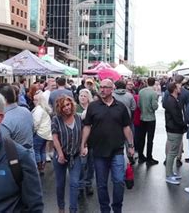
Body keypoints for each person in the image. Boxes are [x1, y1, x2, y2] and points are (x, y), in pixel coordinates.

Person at [81, 79, 134, 213]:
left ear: (112, 89)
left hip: (117, 150)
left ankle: (117, 208)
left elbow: (126, 127)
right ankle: (105, 209)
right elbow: (87, 126)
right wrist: (83, 144)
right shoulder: (93, 106)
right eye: (101, 87)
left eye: (106, 87)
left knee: (119, 181)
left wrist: (131, 145)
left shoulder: (120, 107)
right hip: (98, 151)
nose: (102, 89)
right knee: (101, 184)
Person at [51, 95, 83, 213]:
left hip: (75, 156)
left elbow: (83, 134)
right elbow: (54, 137)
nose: (66, 108)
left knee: (74, 183)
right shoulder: (56, 119)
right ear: (59, 108)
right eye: (63, 106)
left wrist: (85, 146)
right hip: (61, 156)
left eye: (68, 105)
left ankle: (73, 210)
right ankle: (61, 208)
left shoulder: (78, 118)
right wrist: (60, 154)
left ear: (72, 104)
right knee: (60, 184)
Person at [162, 82, 187, 185]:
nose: (180, 88)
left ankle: (171, 173)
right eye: (178, 87)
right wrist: (184, 126)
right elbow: (177, 117)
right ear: (174, 89)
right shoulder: (172, 101)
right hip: (174, 129)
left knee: (173, 152)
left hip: (174, 129)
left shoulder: (172, 99)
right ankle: (168, 175)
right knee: (172, 153)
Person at [0, 84, 34, 149]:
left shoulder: (4, 121)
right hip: (29, 155)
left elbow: (2, 147)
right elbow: (32, 131)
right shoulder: (26, 111)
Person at [137, 77, 160, 165]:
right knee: (150, 139)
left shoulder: (141, 91)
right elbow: (155, 106)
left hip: (142, 117)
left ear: (147, 82)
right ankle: (149, 158)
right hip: (150, 118)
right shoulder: (153, 93)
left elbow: (138, 104)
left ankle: (140, 156)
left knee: (141, 138)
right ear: (154, 83)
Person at [77, 89, 95, 196]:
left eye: (84, 96)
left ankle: (88, 184)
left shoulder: (92, 108)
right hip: (80, 140)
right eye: (80, 95)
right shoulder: (76, 108)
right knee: (81, 164)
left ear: (88, 97)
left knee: (91, 164)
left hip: (92, 140)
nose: (82, 97)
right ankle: (80, 185)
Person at [32, 90, 52, 174]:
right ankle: (42, 167)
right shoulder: (44, 108)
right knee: (42, 150)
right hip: (46, 133)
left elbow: (36, 123)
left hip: (39, 133)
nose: (33, 101)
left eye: (35, 100)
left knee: (36, 150)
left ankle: (39, 167)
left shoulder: (38, 110)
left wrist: (33, 131)